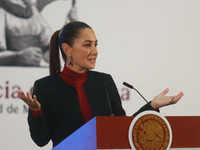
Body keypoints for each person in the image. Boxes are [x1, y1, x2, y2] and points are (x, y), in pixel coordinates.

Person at [17, 21, 184, 148]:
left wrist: (152, 105)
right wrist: (36, 112)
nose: (95, 51)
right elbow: (41, 140)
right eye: (87, 45)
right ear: (67, 49)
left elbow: (123, 128)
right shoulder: (45, 86)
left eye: (95, 44)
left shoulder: (104, 82)